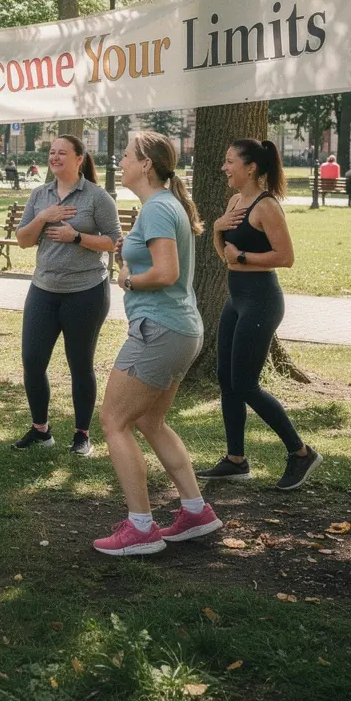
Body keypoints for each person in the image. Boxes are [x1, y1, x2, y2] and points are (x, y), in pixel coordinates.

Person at [93, 131, 222, 556]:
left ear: (146, 163)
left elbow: (165, 273)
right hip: (179, 329)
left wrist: (127, 278)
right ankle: (195, 511)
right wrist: (128, 257)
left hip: (161, 330)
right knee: (149, 421)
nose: (122, 161)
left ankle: (141, 528)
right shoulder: (162, 205)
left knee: (114, 420)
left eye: (127, 156)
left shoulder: (159, 209)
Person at [197, 139, 322, 491]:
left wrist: (243, 258)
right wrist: (219, 228)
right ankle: (236, 460)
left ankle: (301, 453)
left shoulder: (267, 207)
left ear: (250, 167)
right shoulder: (236, 201)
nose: (224, 167)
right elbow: (225, 255)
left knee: (245, 383)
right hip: (236, 298)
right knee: (226, 377)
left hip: (262, 301)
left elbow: (286, 258)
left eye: (230, 161)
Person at [13, 135, 121, 457]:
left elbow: (114, 241)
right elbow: (22, 240)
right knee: (33, 362)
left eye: (62, 153)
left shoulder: (97, 197)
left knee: (80, 364)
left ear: (79, 159)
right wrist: (43, 218)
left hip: (85, 292)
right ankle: (41, 430)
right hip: (43, 290)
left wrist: (76, 237)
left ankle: (82, 435)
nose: (55, 157)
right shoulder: (40, 194)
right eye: (51, 152)